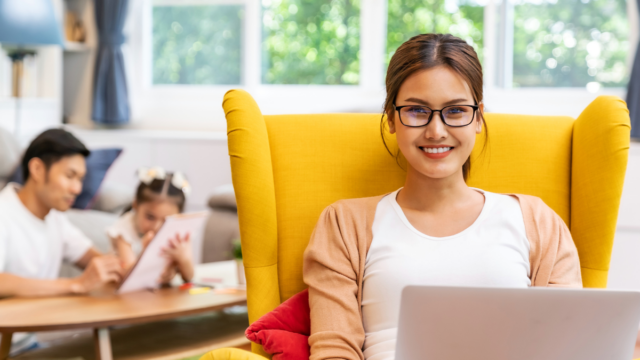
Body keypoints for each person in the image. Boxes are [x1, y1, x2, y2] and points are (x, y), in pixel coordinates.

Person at [303, 34, 582, 360]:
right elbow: (334, 352)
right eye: (417, 110)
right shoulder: (343, 223)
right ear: (392, 119)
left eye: (456, 110)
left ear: (478, 118)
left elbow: (568, 344)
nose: (436, 131)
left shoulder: (536, 220)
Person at [0, 129, 125, 298]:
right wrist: (75, 284)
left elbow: (97, 262)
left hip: (46, 319)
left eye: (80, 179)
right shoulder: (4, 213)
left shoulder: (55, 218)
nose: (77, 189)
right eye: (69, 176)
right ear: (37, 169)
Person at [106, 167, 194, 284]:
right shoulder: (123, 230)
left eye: (167, 220)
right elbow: (128, 277)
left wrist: (184, 259)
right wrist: (147, 253)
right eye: (150, 217)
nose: (157, 226)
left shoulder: (176, 233)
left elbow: (189, 277)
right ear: (135, 205)